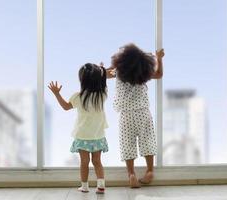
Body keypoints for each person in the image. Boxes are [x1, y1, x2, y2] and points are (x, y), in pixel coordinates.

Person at [108, 43, 164, 188]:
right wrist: (159, 58)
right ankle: (150, 170)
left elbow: (105, 74)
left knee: (127, 143)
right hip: (143, 112)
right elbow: (159, 74)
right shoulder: (143, 72)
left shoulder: (118, 71)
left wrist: (101, 68)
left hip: (126, 114)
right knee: (148, 140)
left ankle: (131, 174)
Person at [48, 63, 109, 194]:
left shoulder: (78, 97)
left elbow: (65, 107)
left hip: (83, 136)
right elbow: (103, 84)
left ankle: (85, 186)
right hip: (98, 135)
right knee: (97, 161)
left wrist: (57, 94)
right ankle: (101, 185)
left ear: (82, 80)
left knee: (84, 162)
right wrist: (102, 72)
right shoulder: (102, 95)